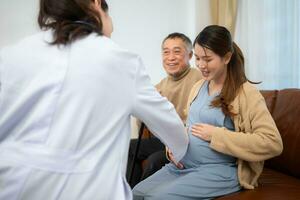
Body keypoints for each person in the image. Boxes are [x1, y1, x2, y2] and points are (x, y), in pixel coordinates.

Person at [0, 0, 189, 199]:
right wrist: (180, 150)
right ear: (97, 3)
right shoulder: (119, 61)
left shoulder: (11, 56)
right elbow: (174, 131)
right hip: (89, 191)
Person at [132, 25, 283, 200]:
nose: (201, 65)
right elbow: (188, 127)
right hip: (182, 167)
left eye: (208, 59)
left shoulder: (246, 93)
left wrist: (216, 135)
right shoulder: (198, 87)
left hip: (219, 170)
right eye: (197, 58)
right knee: (135, 194)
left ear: (226, 57)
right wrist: (172, 148)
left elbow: (272, 142)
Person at [127, 33, 202, 187]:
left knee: (155, 160)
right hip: (167, 140)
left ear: (190, 55)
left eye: (176, 51)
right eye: (166, 52)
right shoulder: (160, 86)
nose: (171, 57)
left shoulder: (200, 79)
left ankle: (141, 195)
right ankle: (129, 193)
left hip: (189, 142)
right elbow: (143, 123)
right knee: (130, 147)